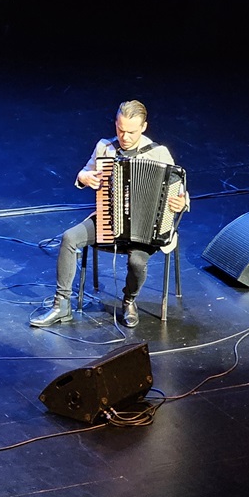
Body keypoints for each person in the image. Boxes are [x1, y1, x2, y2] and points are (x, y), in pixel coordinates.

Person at [30, 100, 188, 329]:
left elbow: (181, 192)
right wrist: (84, 178)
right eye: (120, 130)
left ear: (144, 127)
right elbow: (85, 172)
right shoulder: (105, 147)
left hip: (147, 229)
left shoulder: (159, 153)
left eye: (131, 132)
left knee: (136, 261)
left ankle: (129, 300)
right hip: (108, 218)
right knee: (69, 238)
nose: (125, 136)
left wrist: (180, 201)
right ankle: (61, 305)